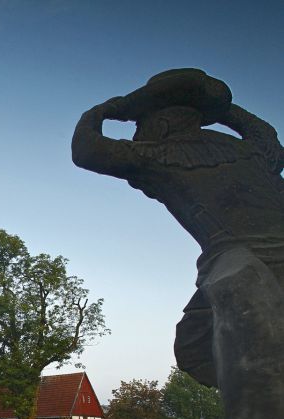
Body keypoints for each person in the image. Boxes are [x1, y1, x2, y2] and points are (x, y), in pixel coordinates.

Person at [72, 68, 284, 388]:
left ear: (163, 124)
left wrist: (103, 110)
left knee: (194, 349)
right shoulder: (254, 151)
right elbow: (263, 130)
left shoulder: (160, 156)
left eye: (142, 125)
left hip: (243, 264)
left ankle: (264, 397)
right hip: (251, 259)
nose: (137, 134)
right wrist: (217, 108)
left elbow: (87, 150)